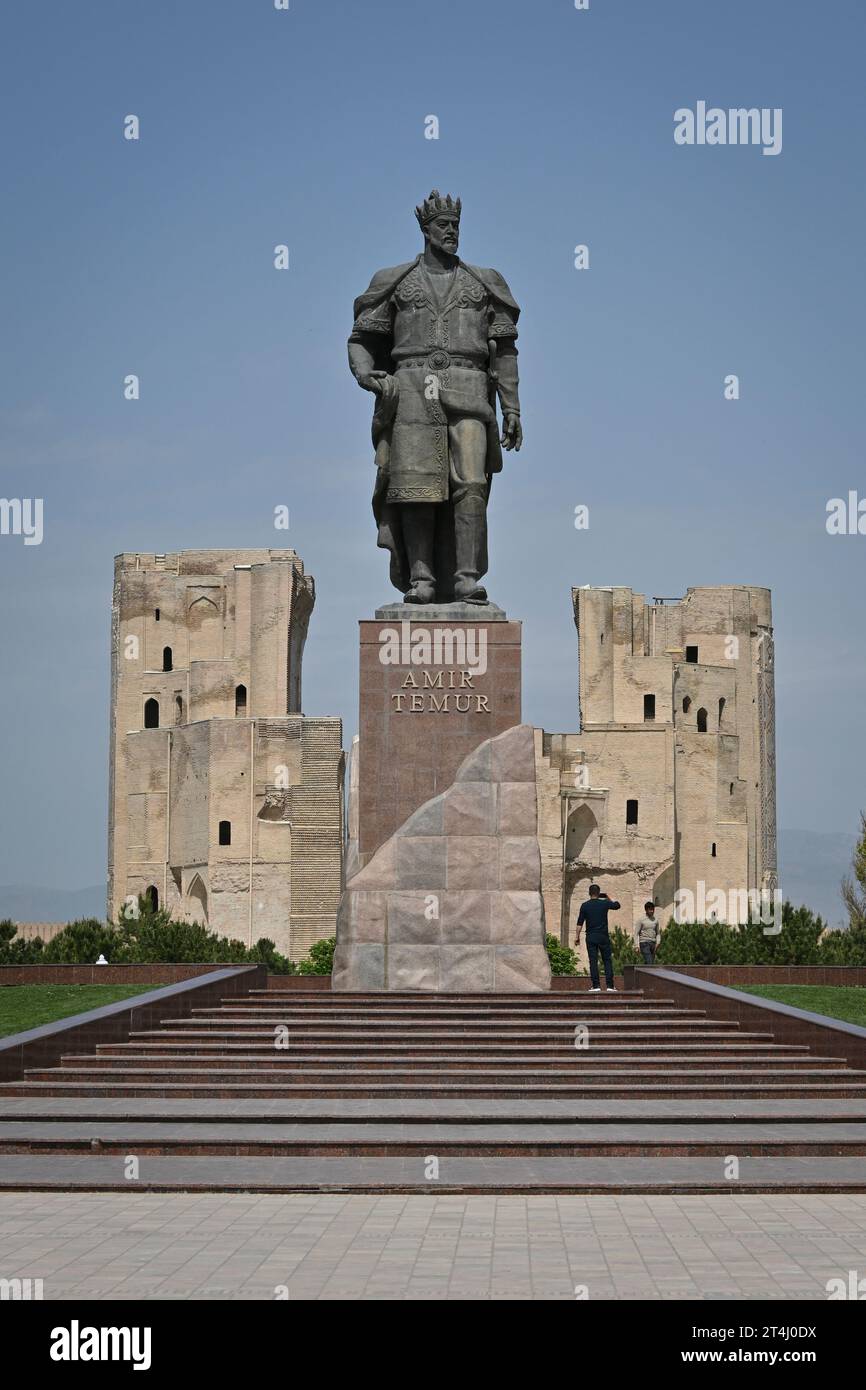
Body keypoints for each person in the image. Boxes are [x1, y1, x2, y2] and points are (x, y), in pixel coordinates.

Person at [575, 884, 621, 993]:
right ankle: (610, 986)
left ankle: (596, 986)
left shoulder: (584, 905)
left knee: (593, 961)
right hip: (603, 936)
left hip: (591, 937)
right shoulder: (604, 903)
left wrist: (577, 936)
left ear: (589, 893)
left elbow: (579, 923)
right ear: (599, 893)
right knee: (607, 961)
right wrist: (608, 896)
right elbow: (617, 905)